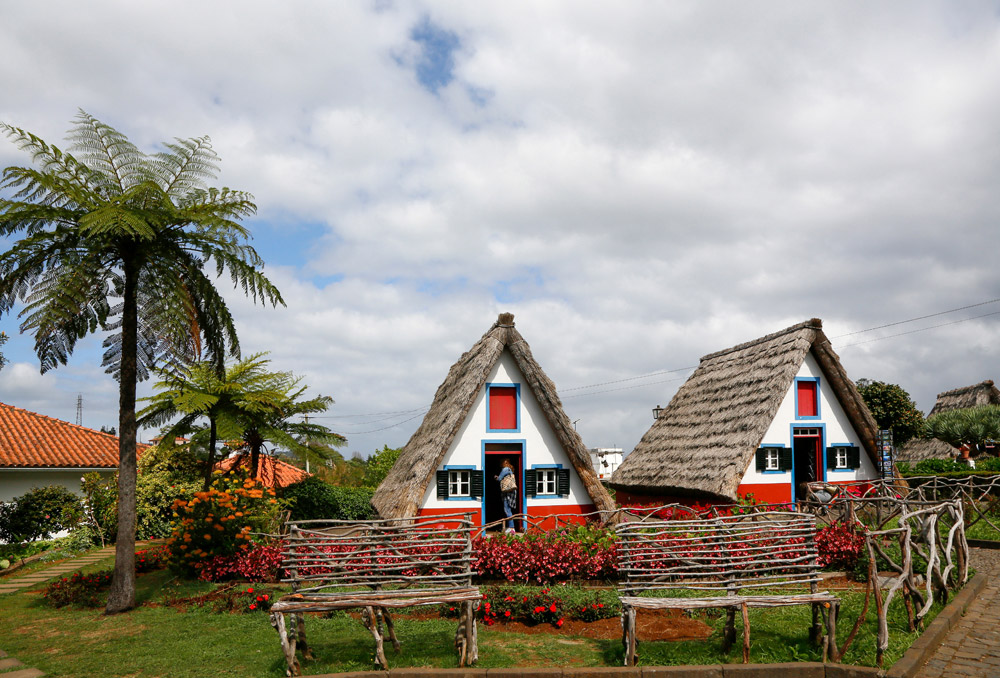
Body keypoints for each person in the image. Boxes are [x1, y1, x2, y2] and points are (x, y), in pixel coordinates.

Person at [495, 458, 517, 534]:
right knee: (508, 509)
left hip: (508, 492)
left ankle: (511, 528)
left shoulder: (505, 469)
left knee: (507, 509)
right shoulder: (510, 469)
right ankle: (511, 527)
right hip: (511, 491)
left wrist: (496, 477)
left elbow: (499, 479)